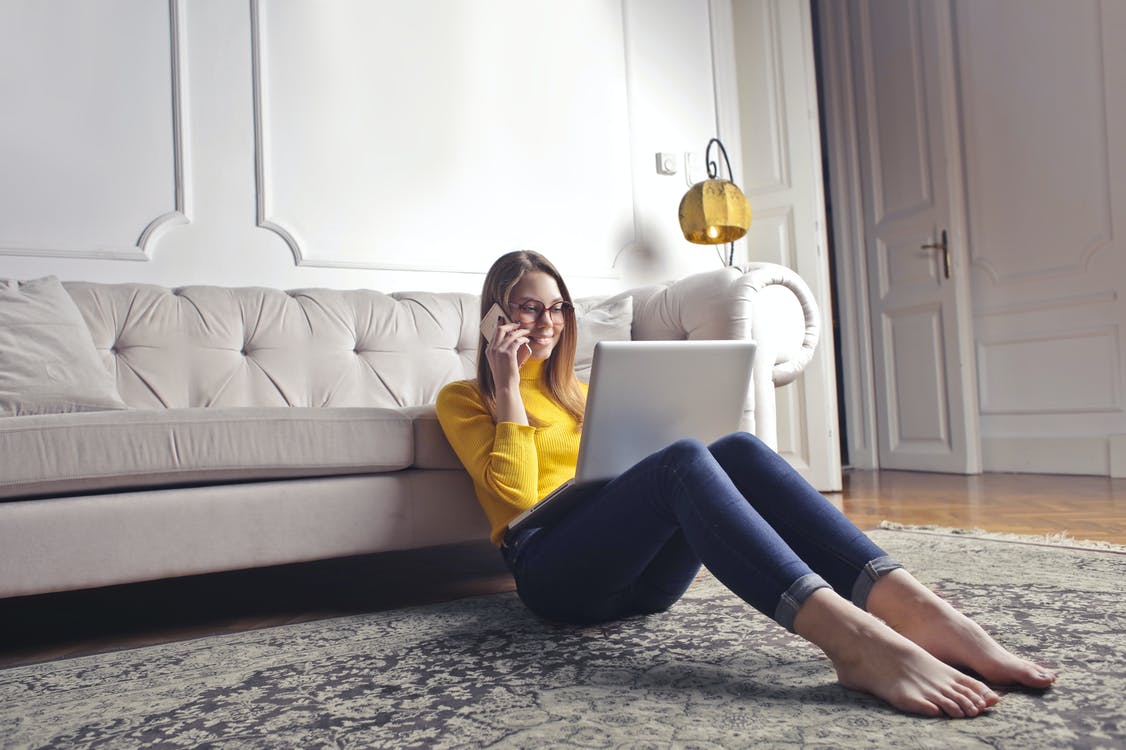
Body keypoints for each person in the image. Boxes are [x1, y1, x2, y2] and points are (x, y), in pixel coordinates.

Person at [436, 250, 1056, 718]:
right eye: (527, 306)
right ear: (497, 314)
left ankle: (915, 609)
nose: (547, 320)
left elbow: (632, 481)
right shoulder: (464, 399)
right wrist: (508, 385)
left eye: (557, 306)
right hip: (554, 575)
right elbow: (515, 498)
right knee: (681, 458)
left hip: (643, 584)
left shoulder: (586, 395)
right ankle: (855, 640)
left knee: (733, 447)